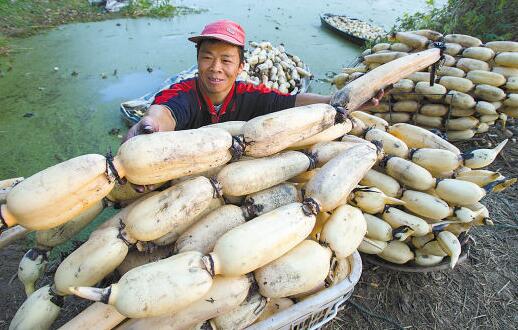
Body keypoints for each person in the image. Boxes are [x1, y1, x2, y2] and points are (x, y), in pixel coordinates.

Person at [124, 19, 383, 141]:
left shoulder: (249, 95)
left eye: (226, 60)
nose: (215, 68)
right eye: (207, 58)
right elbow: (165, 112)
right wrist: (150, 124)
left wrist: (338, 102)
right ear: (198, 60)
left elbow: (292, 102)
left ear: (240, 67)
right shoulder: (182, 93)